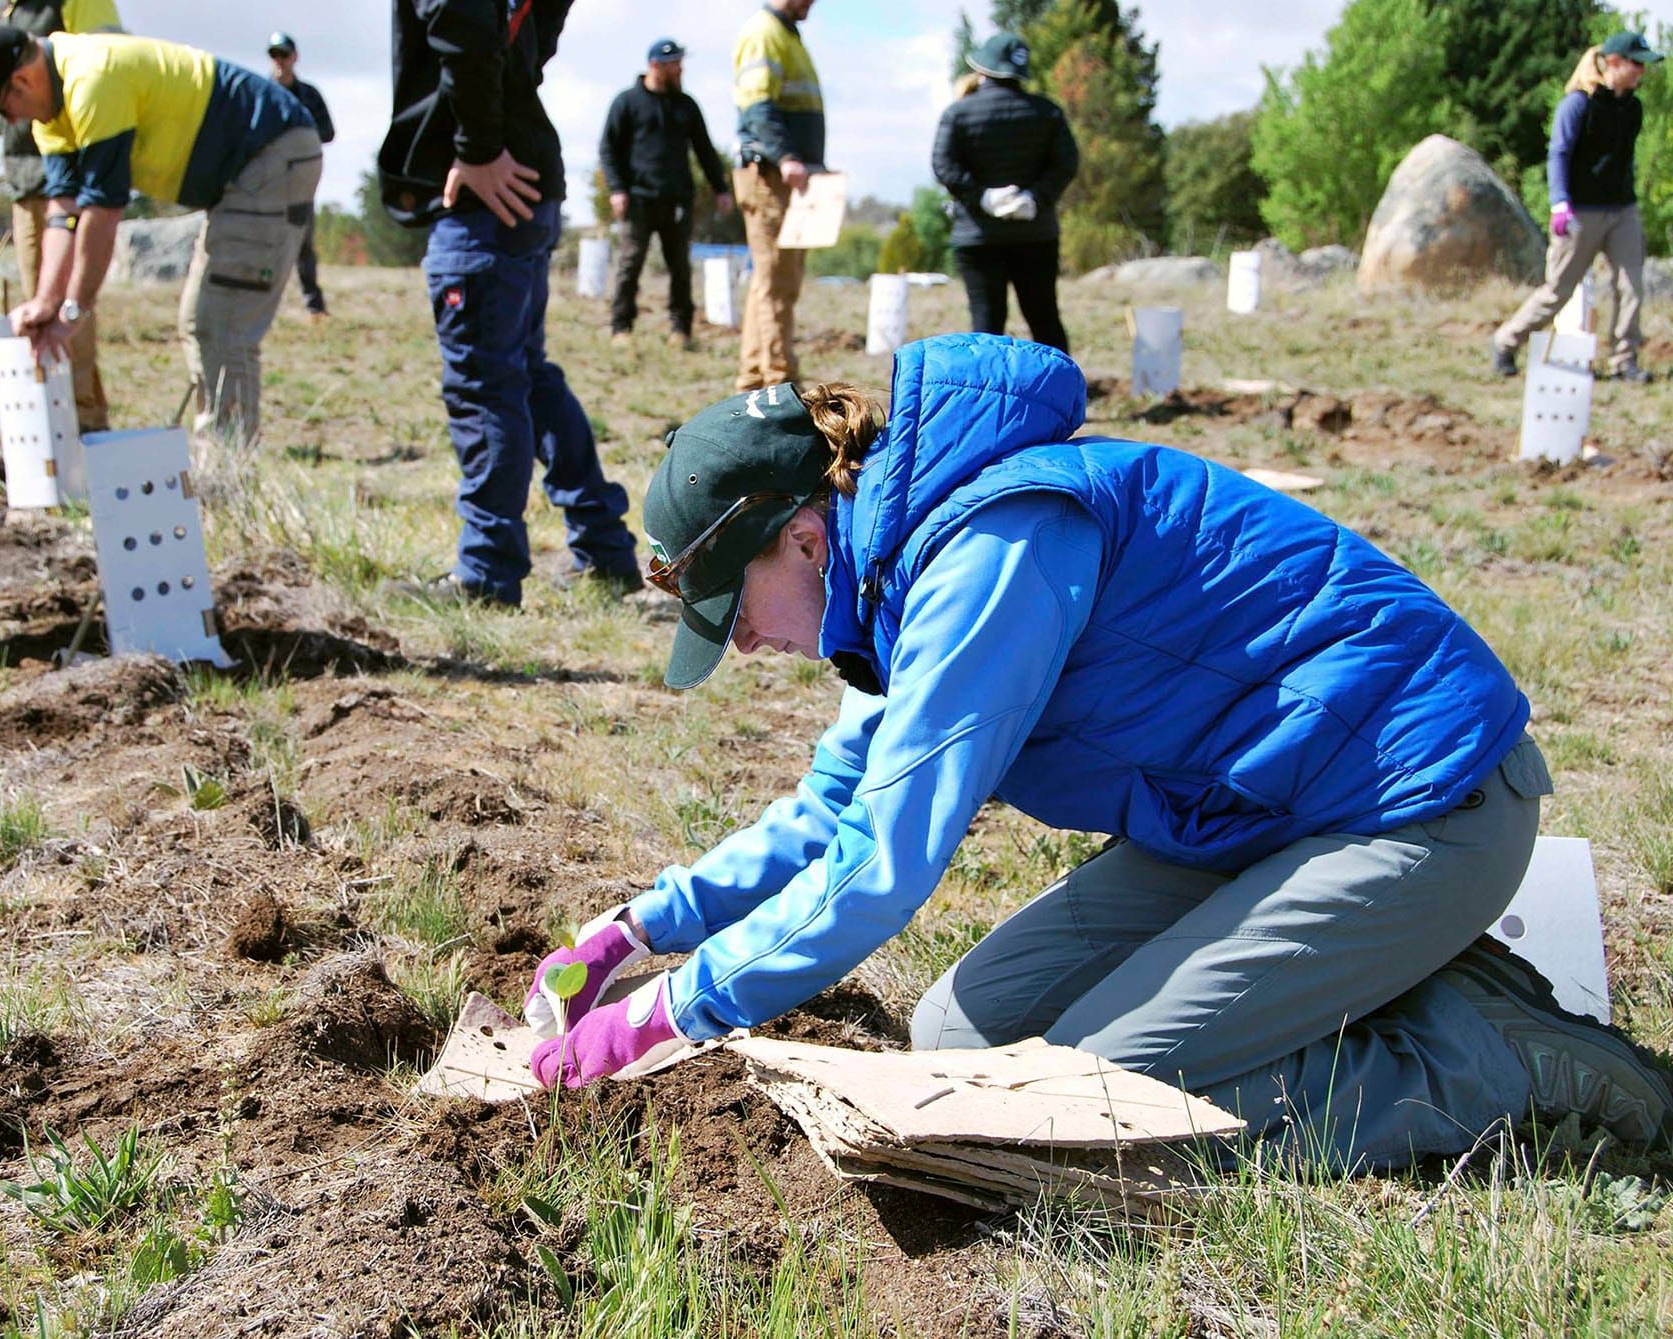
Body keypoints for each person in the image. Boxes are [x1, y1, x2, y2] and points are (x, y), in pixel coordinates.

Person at [521, 333, 1673, 1168]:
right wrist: (637, 930)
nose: (748, 646)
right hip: (1251, 813)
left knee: (1092, 1113)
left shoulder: (987, 554)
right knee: (962, 1039)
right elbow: (833, 808)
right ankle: (1367, 967)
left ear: (803, 535)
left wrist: (673, 1012)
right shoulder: (894, 579)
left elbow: (879, 864)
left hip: (1413, 799)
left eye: (737, 609)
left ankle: (1497, 1060)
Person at [377, 0, 641, 608]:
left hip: (488, 188)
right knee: (526, 377)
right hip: (522, 174)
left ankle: (486, 574)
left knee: (487, 386)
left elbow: (463, 22)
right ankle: (604, 552)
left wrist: (475, 148)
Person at [0, 26, 322, 448]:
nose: (14, 120)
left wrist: (74, 310)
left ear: (21, 81)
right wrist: (45, 301)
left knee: (219, 324)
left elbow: (102, 210)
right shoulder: (53, 110)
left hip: (271, 151)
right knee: (202, 322)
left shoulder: (92, 80)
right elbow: (64, 212)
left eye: (6, 108)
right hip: (240, 172)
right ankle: (223, 463)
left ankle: (228, 477)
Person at [0, 0, 123, 432]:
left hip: (77, 172)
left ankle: (85, 427)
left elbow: (107, 61)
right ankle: (54, 425)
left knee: (68, 305)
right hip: (26, 178)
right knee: (39, 303)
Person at [1492, 31, 1662, 382]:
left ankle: (1623, 362)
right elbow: (1559, 153)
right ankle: (1506, 342)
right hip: (1580, 212)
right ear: (1614, 63)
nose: (1641, 73)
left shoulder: (1633, 108)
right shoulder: (1578, 104)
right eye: (1636, 65)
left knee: (1632, 287)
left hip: (1621, 210)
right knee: (1558, 290)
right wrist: (1559, 204)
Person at [932, 32, 1078, 352]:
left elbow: (943, 166)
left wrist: (980, 197)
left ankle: (990, 400)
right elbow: (1066, 163)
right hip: (1035, 234)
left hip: (978, 236)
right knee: (1044, 320)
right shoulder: (1047, 112)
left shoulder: (958, 114)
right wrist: (1035, 199)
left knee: (986, 326)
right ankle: (1062, 396)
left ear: (982, 67)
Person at [598, 38, 734, 348]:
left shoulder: (686, 106)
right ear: (656, 65)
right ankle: (621, 327)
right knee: (630, 264)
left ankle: (681, 330)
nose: (680, 69)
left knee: (680, 268)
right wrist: (617, 190)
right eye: (675, 64)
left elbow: (705, 150)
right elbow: (608, 149)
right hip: (638, 199)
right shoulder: (627, 103)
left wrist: (721, 189)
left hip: (677, 200)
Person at [731, 0, 823, 392]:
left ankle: (755, 377)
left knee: (770, 281)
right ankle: (780, 383)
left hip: (783, 176)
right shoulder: (764, 32)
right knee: (778, 281)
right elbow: (757, 105)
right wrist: (786, 157)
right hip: (772, 176)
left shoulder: (784, 34)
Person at [266, 31, 335, 319]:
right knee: (267, 242)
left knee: (303, 244)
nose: (279, 60)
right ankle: (263, 307)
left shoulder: (310, 95)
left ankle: (314, 306)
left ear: (295, 57)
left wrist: (299, 138)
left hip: (301, 180)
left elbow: (328, 132)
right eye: (274, 55)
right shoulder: (261, 92)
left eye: (284, 54)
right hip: (267, 180)